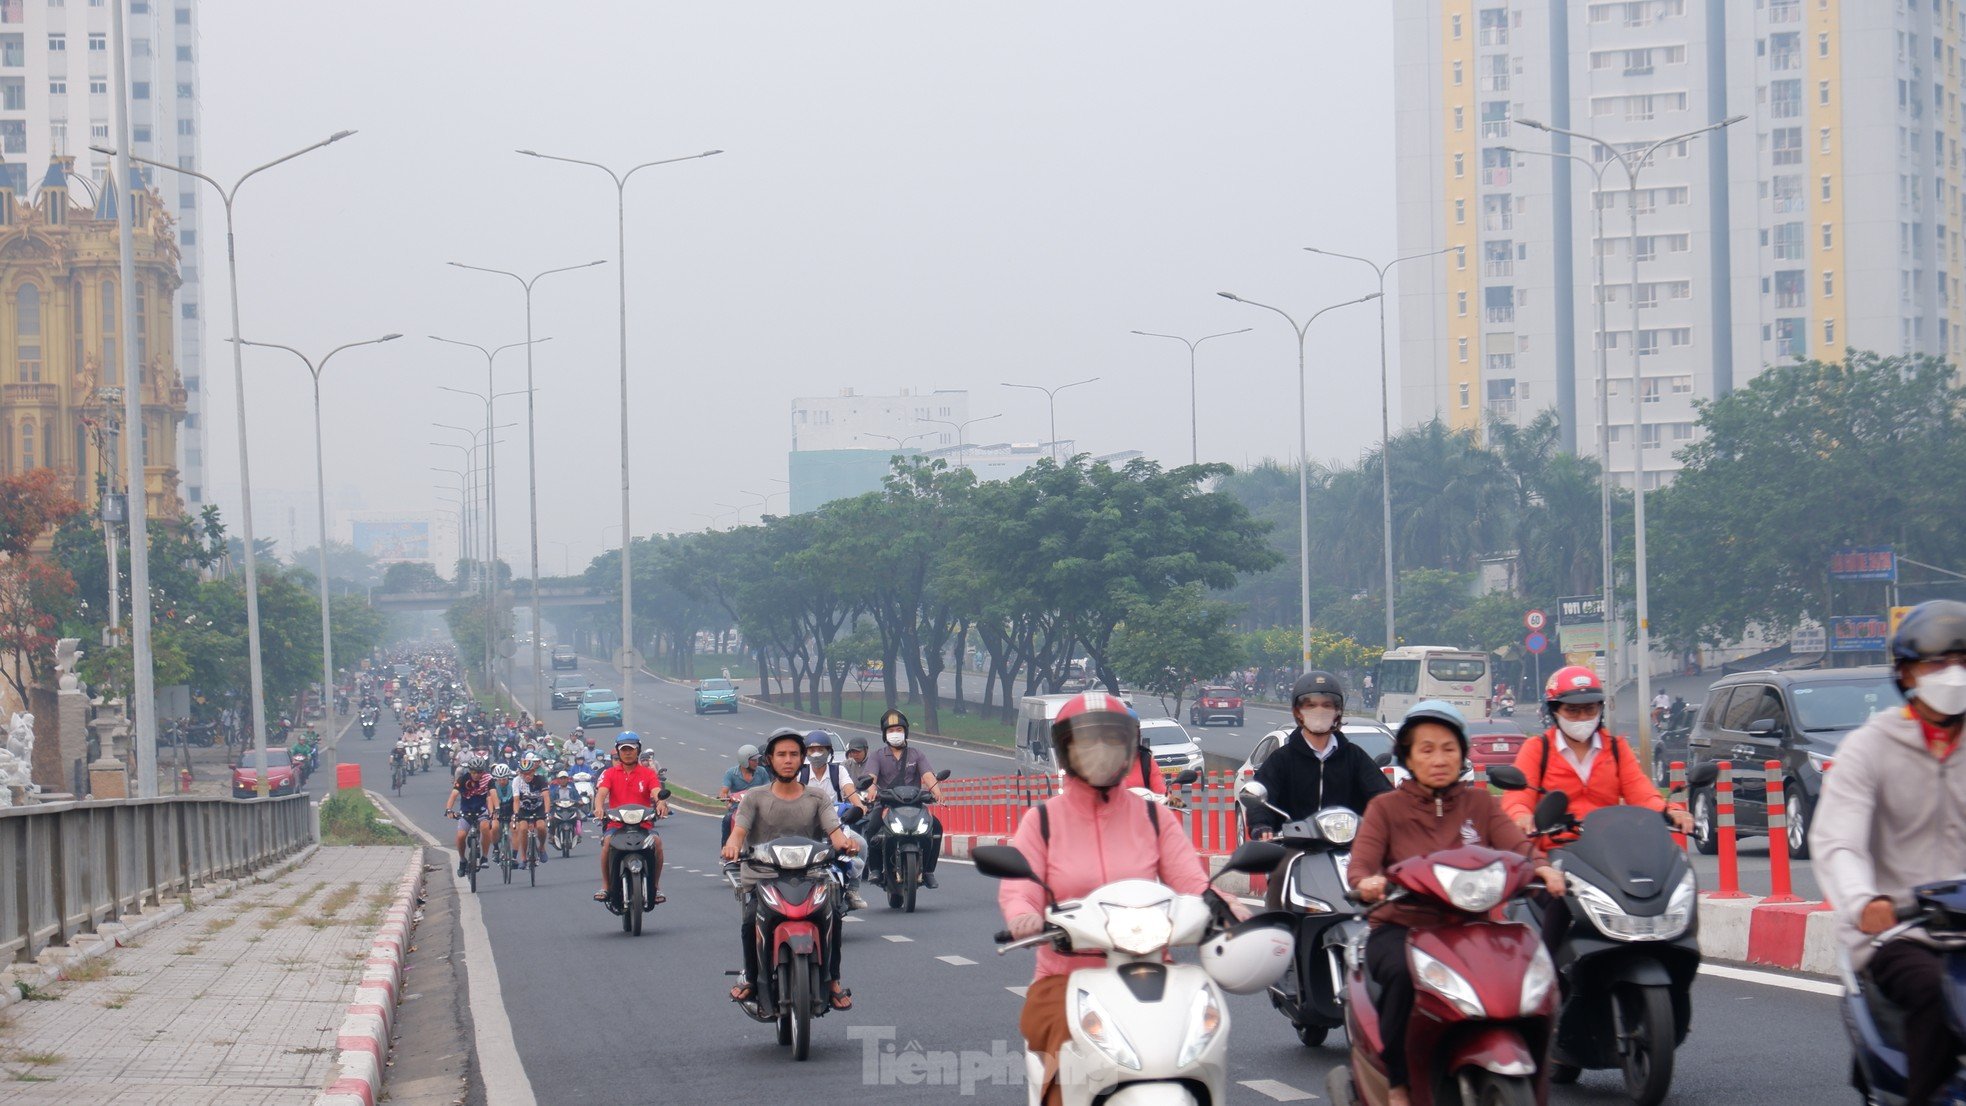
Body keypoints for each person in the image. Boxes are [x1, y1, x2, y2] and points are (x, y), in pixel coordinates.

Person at [997, 691, 1219, 1106]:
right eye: (1087, 740)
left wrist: (1225, 906)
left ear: (1129, 748)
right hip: (1064, 980)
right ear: (1066, 750)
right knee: (1064, 1063)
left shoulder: (1155, 817)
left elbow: (1192, 881)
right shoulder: (1042, 821)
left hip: (1153, 973)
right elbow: (1019, 887)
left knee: (1203, 1037)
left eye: (1110, 739)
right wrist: (1024, 915)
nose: (1100, 750)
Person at [1348, 701, 1563, 1106]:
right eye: (1426, 749)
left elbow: (1518, 848)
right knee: (1399, 977)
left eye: (1448, 748)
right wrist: (1369, 883)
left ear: (1463, 754)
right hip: (1404, 928)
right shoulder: (1385, 809)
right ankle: (1399, 1083)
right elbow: (1361, 867)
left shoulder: (1480, 804)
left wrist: (1542, 868)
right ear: (1408, 757)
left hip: (1474, 928)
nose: (1439, 759)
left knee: (1532, 975)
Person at [1816, 599, 1966, 1106]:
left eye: (1964, 662)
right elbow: (1839, 840)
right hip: (1903, 930)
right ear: (1905, 674)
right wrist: (1864, 902)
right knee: (1933, 992)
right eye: (1938, 664)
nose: (1954, 675)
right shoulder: (1869, 747)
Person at [721, 728, 859, 1011]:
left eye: (794, 754)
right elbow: (740, 830)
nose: (788, 760)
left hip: (810, 876)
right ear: (769, 760)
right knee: (750, 922)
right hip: (764, 877)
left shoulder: (816, 797)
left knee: (833, 915)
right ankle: (751, 977)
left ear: (802, 759)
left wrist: (845, 843)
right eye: (781, 755)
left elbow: (834, 830)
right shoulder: (754, 797)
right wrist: (732, 845)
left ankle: (832, 981)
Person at [1244, 671, 1392, 848]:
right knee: (1278, 876)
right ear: (1298, 712)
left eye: (1327, 705)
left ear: (1337, 712)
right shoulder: (1282, 759)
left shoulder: (1354, 756)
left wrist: (1392, 819)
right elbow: (1262, 797)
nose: (1319, 711)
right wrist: (1261, 825)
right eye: (1311, 706)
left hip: (1348, 852)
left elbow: (1382, 796)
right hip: (1293, 851)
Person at [865, 708, 943, 888]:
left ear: (905, 732)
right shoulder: (877, 755)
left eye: (898, 730)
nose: (895, 734)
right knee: (872, 827)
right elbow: (871, 777)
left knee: (936, 827)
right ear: (885, 735)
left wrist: (936, 790)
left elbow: (928, 776)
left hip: (915, 804)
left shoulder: (917, 754)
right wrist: (871, 790)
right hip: (886, 805)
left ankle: (929, 871)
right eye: (891, 731)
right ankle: (875, 869)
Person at [593, 733, 670, 905]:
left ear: (638, 751)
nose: (628, 753)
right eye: (624, 749)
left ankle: (656, 886)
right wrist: (598, 807)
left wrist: (661, 802)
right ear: (619, 753)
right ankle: (605, 886)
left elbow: (656, 791)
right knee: (607, 843)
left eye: (631, 749)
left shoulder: (648, 774)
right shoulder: (610, 773)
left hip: (643, 824)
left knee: (656, 842)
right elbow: (601, 793)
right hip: (616, 824)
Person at [799, 730, 870, 909]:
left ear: (829, 751)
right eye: (811, 750)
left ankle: (853, 890)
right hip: (808, 826)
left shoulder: (838, 771)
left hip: (836, 824)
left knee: (861, 844)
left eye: (820, 749)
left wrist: (859, 805)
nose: (816, 754)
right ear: (805, 753)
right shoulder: (801, 774)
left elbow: (849, 790)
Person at [445, 754, 497, 878]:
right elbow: (453, 795)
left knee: (485, 828)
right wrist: (449, 810)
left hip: (481, 811)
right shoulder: (463, 779)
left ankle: (484, 857)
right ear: (469, 771)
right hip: (466, 812)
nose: (476, 775)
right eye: (473, 772)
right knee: (461, 836)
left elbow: (493, 794)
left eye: (479, 772)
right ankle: (462, 860)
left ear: (482, 771)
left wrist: (497, 809)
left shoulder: (488, 779)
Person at [718, 743, 766, 846]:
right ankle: (725, 850)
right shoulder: (731, 773)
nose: (757, 763)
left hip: (758, 808)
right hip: (738, 808)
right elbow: (724, 791)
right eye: (754, 760)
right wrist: (726, 800)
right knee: (727, 819)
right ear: (744, 761)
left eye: (757, 760)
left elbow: (769, 788)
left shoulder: (762, 772)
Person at [509, 753, 551, 868]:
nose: (528, 776)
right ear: (521, 773)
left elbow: (546, 796)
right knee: (522, 829)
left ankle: (541, 847)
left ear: (534, 771)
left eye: (530, 773)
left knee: (542, 826)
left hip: (538, 807)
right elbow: (516, 800)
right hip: (523, 808)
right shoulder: (516, 781)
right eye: (525, 773)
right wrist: (516, 814)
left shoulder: (541, 779)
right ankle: (523, 858)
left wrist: (547, 812)